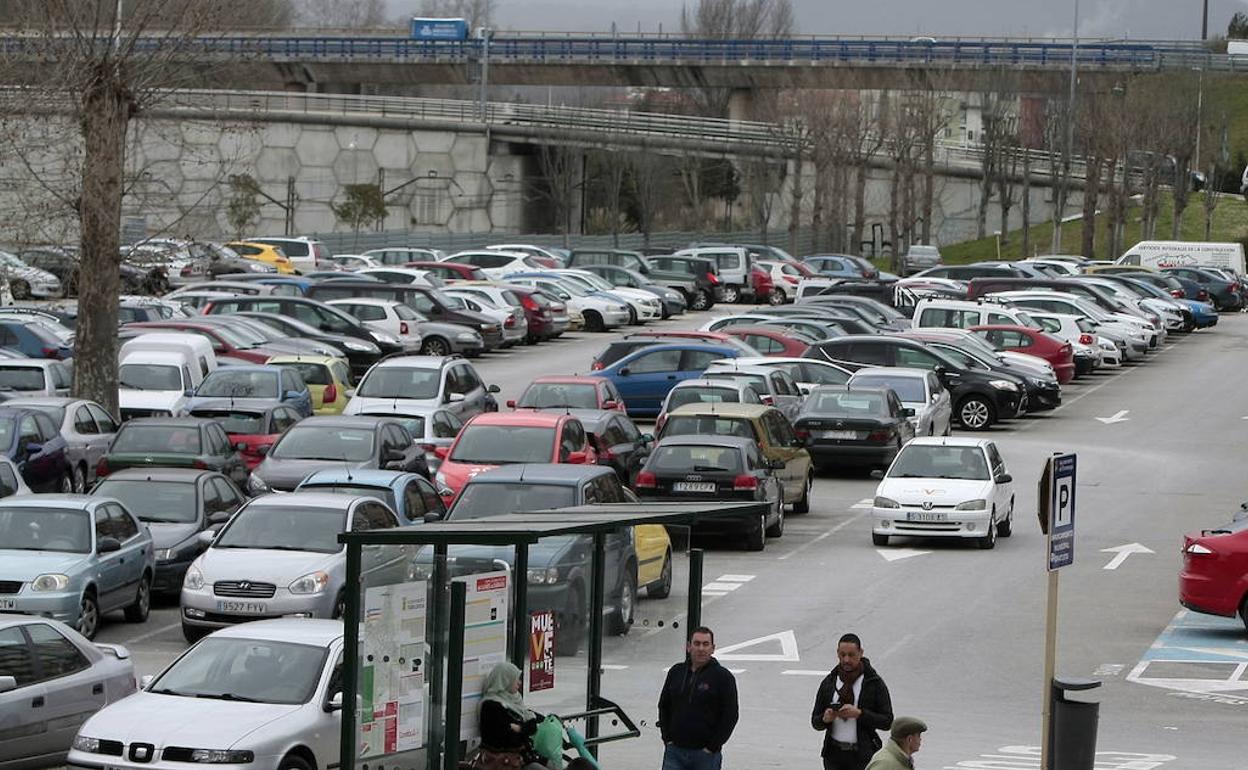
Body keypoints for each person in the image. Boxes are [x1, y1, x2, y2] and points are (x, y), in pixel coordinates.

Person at [657, 626, 739, 770]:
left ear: (713, 648)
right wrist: (667, 738)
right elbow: (664, 705)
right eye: (697, 643)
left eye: (705, 644)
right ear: (689, 647)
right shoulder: (676, 672)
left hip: (706, 756)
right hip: (674, 753)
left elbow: (730, 715)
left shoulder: (723, 677)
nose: (701, 648)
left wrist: (712, 747)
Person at [810, 633, 894, 770]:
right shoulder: (829, 683)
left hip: (863, 756)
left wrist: (860, 714)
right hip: (833, 756)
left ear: (861, 653)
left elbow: (887, 721)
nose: (846, 660)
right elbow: (815, 722)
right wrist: (825, 718)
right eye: (842, 655)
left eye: (851, 654)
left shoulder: (873, 683)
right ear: (837, 653)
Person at [475, 662, 547, 770]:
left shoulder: (515, 700)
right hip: (503, 762)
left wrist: (519, 728)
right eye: (515, 680)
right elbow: (506, 738)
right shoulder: (491, 706)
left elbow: (532, 725)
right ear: (505, 681)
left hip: (522, 758)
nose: (519, 683)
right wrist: (523, 729)